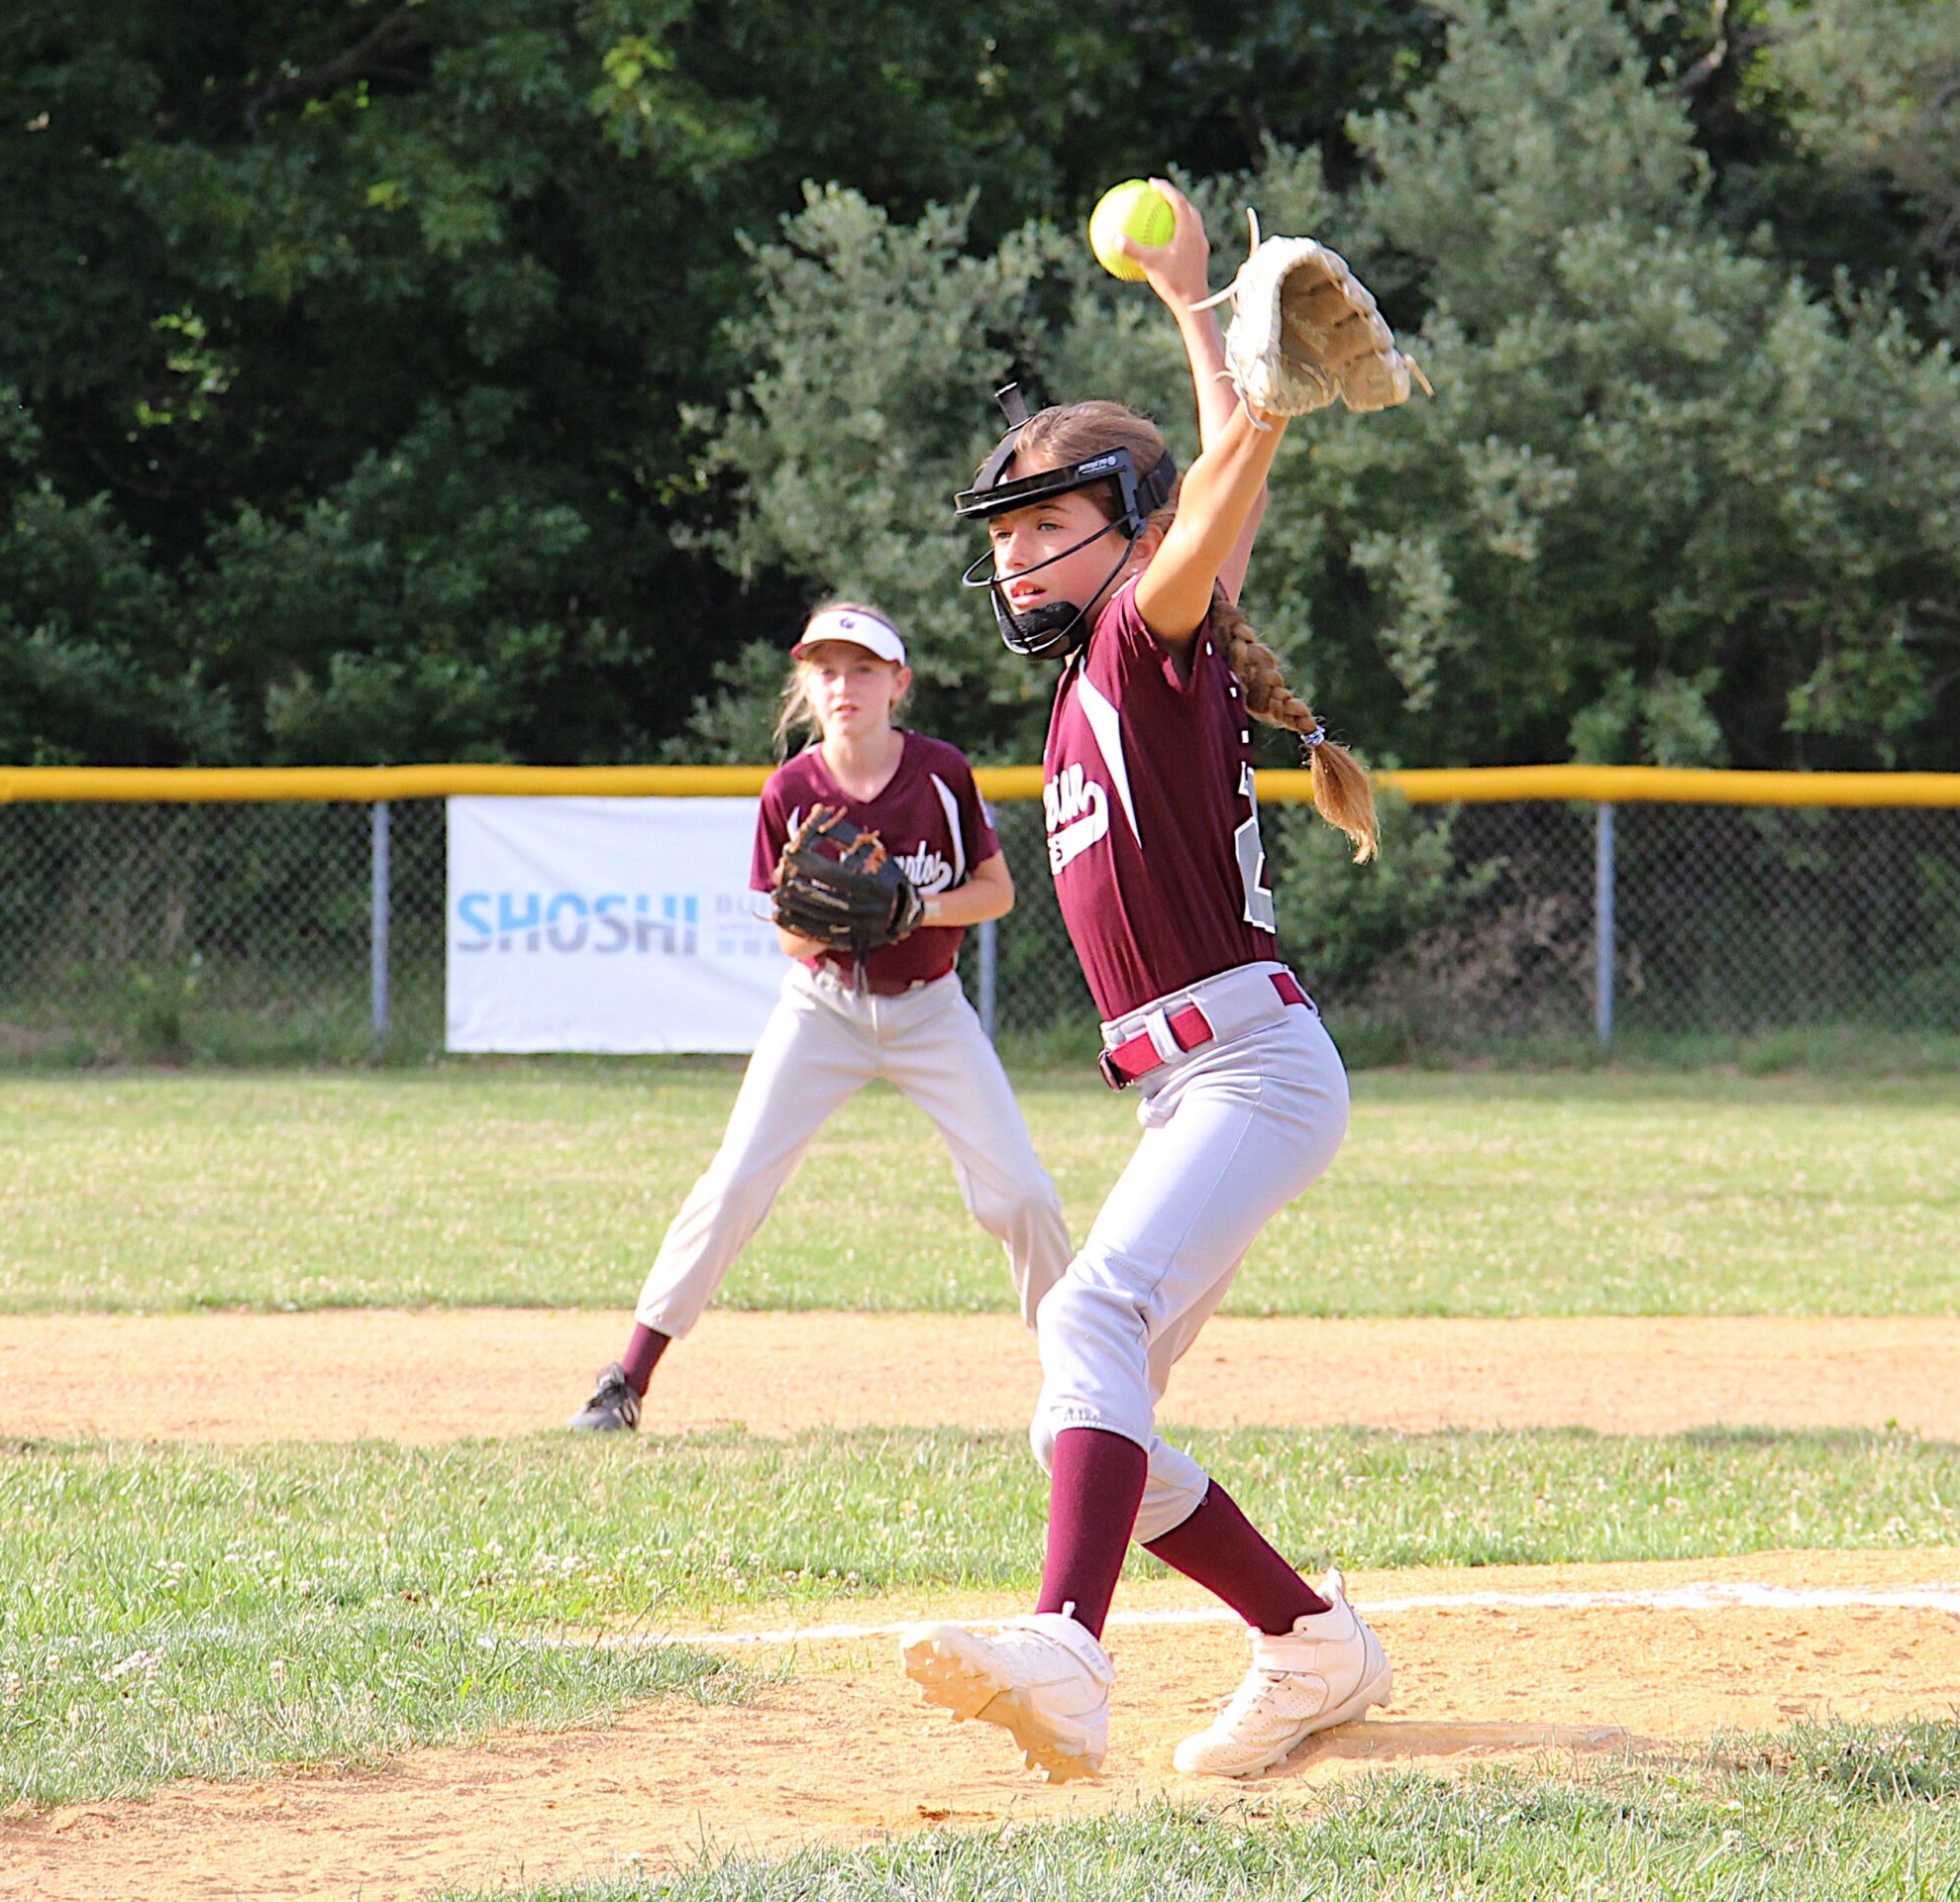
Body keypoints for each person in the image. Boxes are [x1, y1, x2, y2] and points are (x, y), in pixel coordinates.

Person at [897, 181, 1401, 1782]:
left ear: (1125, 528)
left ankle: (1068, 1645)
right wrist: (1194, 300)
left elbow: (1208, 518)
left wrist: (1255, 404)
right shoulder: (1137, 653)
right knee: (1086, 1408)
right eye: (1010, 534)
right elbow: (1207, 523)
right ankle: (1311, 1647)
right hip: (1191, 1087)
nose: (1021, 555)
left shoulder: (1139, 640)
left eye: (1049, 524)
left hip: (1250, 1073)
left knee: (1094, 1318)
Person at [567, 603, 1073, 1431]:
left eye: (865, 669)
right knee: (734, 1184)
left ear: (898, 685)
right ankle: (627, 1378)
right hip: (823, 1008)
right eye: (828, 670)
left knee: (1019, 1195)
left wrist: (915, 908)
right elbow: (789, 933)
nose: (845, 685)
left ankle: (1083, 1375)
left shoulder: (941, 773)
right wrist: (845, 919)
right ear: (806, 685)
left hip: (929, 1011)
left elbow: (998, 892)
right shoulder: (792, 790)